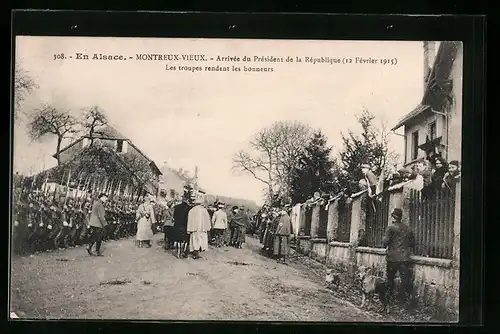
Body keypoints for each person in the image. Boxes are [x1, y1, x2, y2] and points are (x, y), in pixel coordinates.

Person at [382, 208, 415, 308]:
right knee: (406, 280)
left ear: (393, 216)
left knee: (390, 280)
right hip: (404, 258)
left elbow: (385, 242)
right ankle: (409, 301)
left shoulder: (390, 228)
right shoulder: (408, 228)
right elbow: (412, 243)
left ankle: (388, 301)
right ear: (401, 217)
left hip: (392, 258)